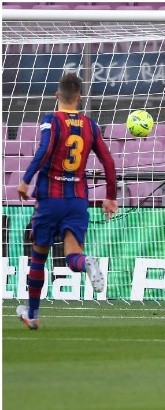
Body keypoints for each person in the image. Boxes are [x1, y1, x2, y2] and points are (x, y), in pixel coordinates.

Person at [16, 72, 118, 330]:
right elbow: (108, 161)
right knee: (74, 256)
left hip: (50, 199)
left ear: (57, 96)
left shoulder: (51, 121)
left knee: (38, 255)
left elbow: (45, 150)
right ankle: (87, 264)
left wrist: (26, 179)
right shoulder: (90, 125)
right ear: (80, 97)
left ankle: (33, 314)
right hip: (77, 201)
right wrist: (110, 197)